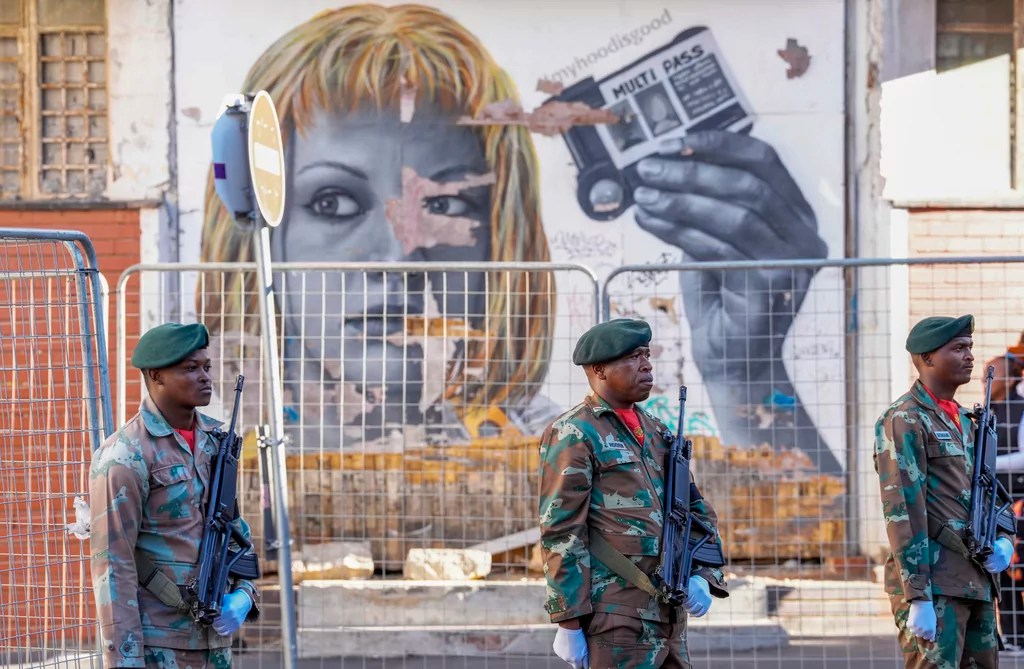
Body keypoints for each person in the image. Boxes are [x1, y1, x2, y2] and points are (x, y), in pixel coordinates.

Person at [197, 4, 835, 472]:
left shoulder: (559, 446)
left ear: (502, 238)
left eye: (446, 204)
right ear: (261, 229)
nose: (399, 254)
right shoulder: (210, 454)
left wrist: (743, 373)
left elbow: (782, 542)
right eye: (334, 202)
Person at [539, 318, 728, 668]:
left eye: (647, 355)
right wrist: (568, 621)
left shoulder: (658, 432)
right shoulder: (574, 433)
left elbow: (696, 512)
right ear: (599, 369)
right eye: (633, 357)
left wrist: (704, 575)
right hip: (617, 619)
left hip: (669, 616)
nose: (647, 365)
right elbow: (562, 530)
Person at [90, 323, 259, 668]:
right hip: (159, 645)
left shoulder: (216, 442)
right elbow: (113, 566)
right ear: (156, 376)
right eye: (191, 368)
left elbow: (233, 531)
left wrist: (244, 594)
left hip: (215, 643)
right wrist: (126, 661)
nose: (205, 377)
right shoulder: (125, 455)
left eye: (207, 367)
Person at [874, 314, 1015, 668]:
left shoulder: (968, 422)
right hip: (935, 584)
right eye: (958, 348)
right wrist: (917, 594)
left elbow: (991, 493)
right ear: (927, 358)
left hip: (976, 579)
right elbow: (903, 509)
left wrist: (1004, 540)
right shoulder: (904, 418)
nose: (970, 356)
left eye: (970, 347)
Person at [990, 337, 1024, 649]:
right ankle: (1011, 635)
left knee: (1017, 567)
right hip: (995, 501)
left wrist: (985, 464)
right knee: (1000, 567)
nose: (987, 379)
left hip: (1018, 500)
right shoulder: (989, 410)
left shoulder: (1020, 408)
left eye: (994, 373)